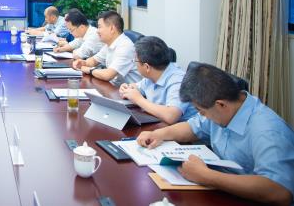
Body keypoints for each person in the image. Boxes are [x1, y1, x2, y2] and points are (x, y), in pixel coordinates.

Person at [137, 63, 294, 204]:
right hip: (224, 193)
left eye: (201, 111)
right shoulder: (222, 107)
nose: (201, 115)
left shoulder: (267, 131)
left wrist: (207, 176)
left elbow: (279, 192)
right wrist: (158, 134)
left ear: (221, 105)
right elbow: (193, 127)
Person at [119, 36, 197, 124]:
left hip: (181, 129)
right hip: (159, 123)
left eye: (135, 61)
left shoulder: (179, 81)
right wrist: (127, 89)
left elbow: (171, 116)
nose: (134, 63)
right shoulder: (153, 73)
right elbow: (137, 87)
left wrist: (138, 99)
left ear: (147, 67)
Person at [73, 10, 140, 85]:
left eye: (99, 27)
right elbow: (94, 61)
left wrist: (89, 70)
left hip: (130, 90)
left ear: (112, 29)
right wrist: (83, 63)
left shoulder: (125, 47)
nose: (97, 31)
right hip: (115, 87)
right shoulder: (110, 43)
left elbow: (108, 75)